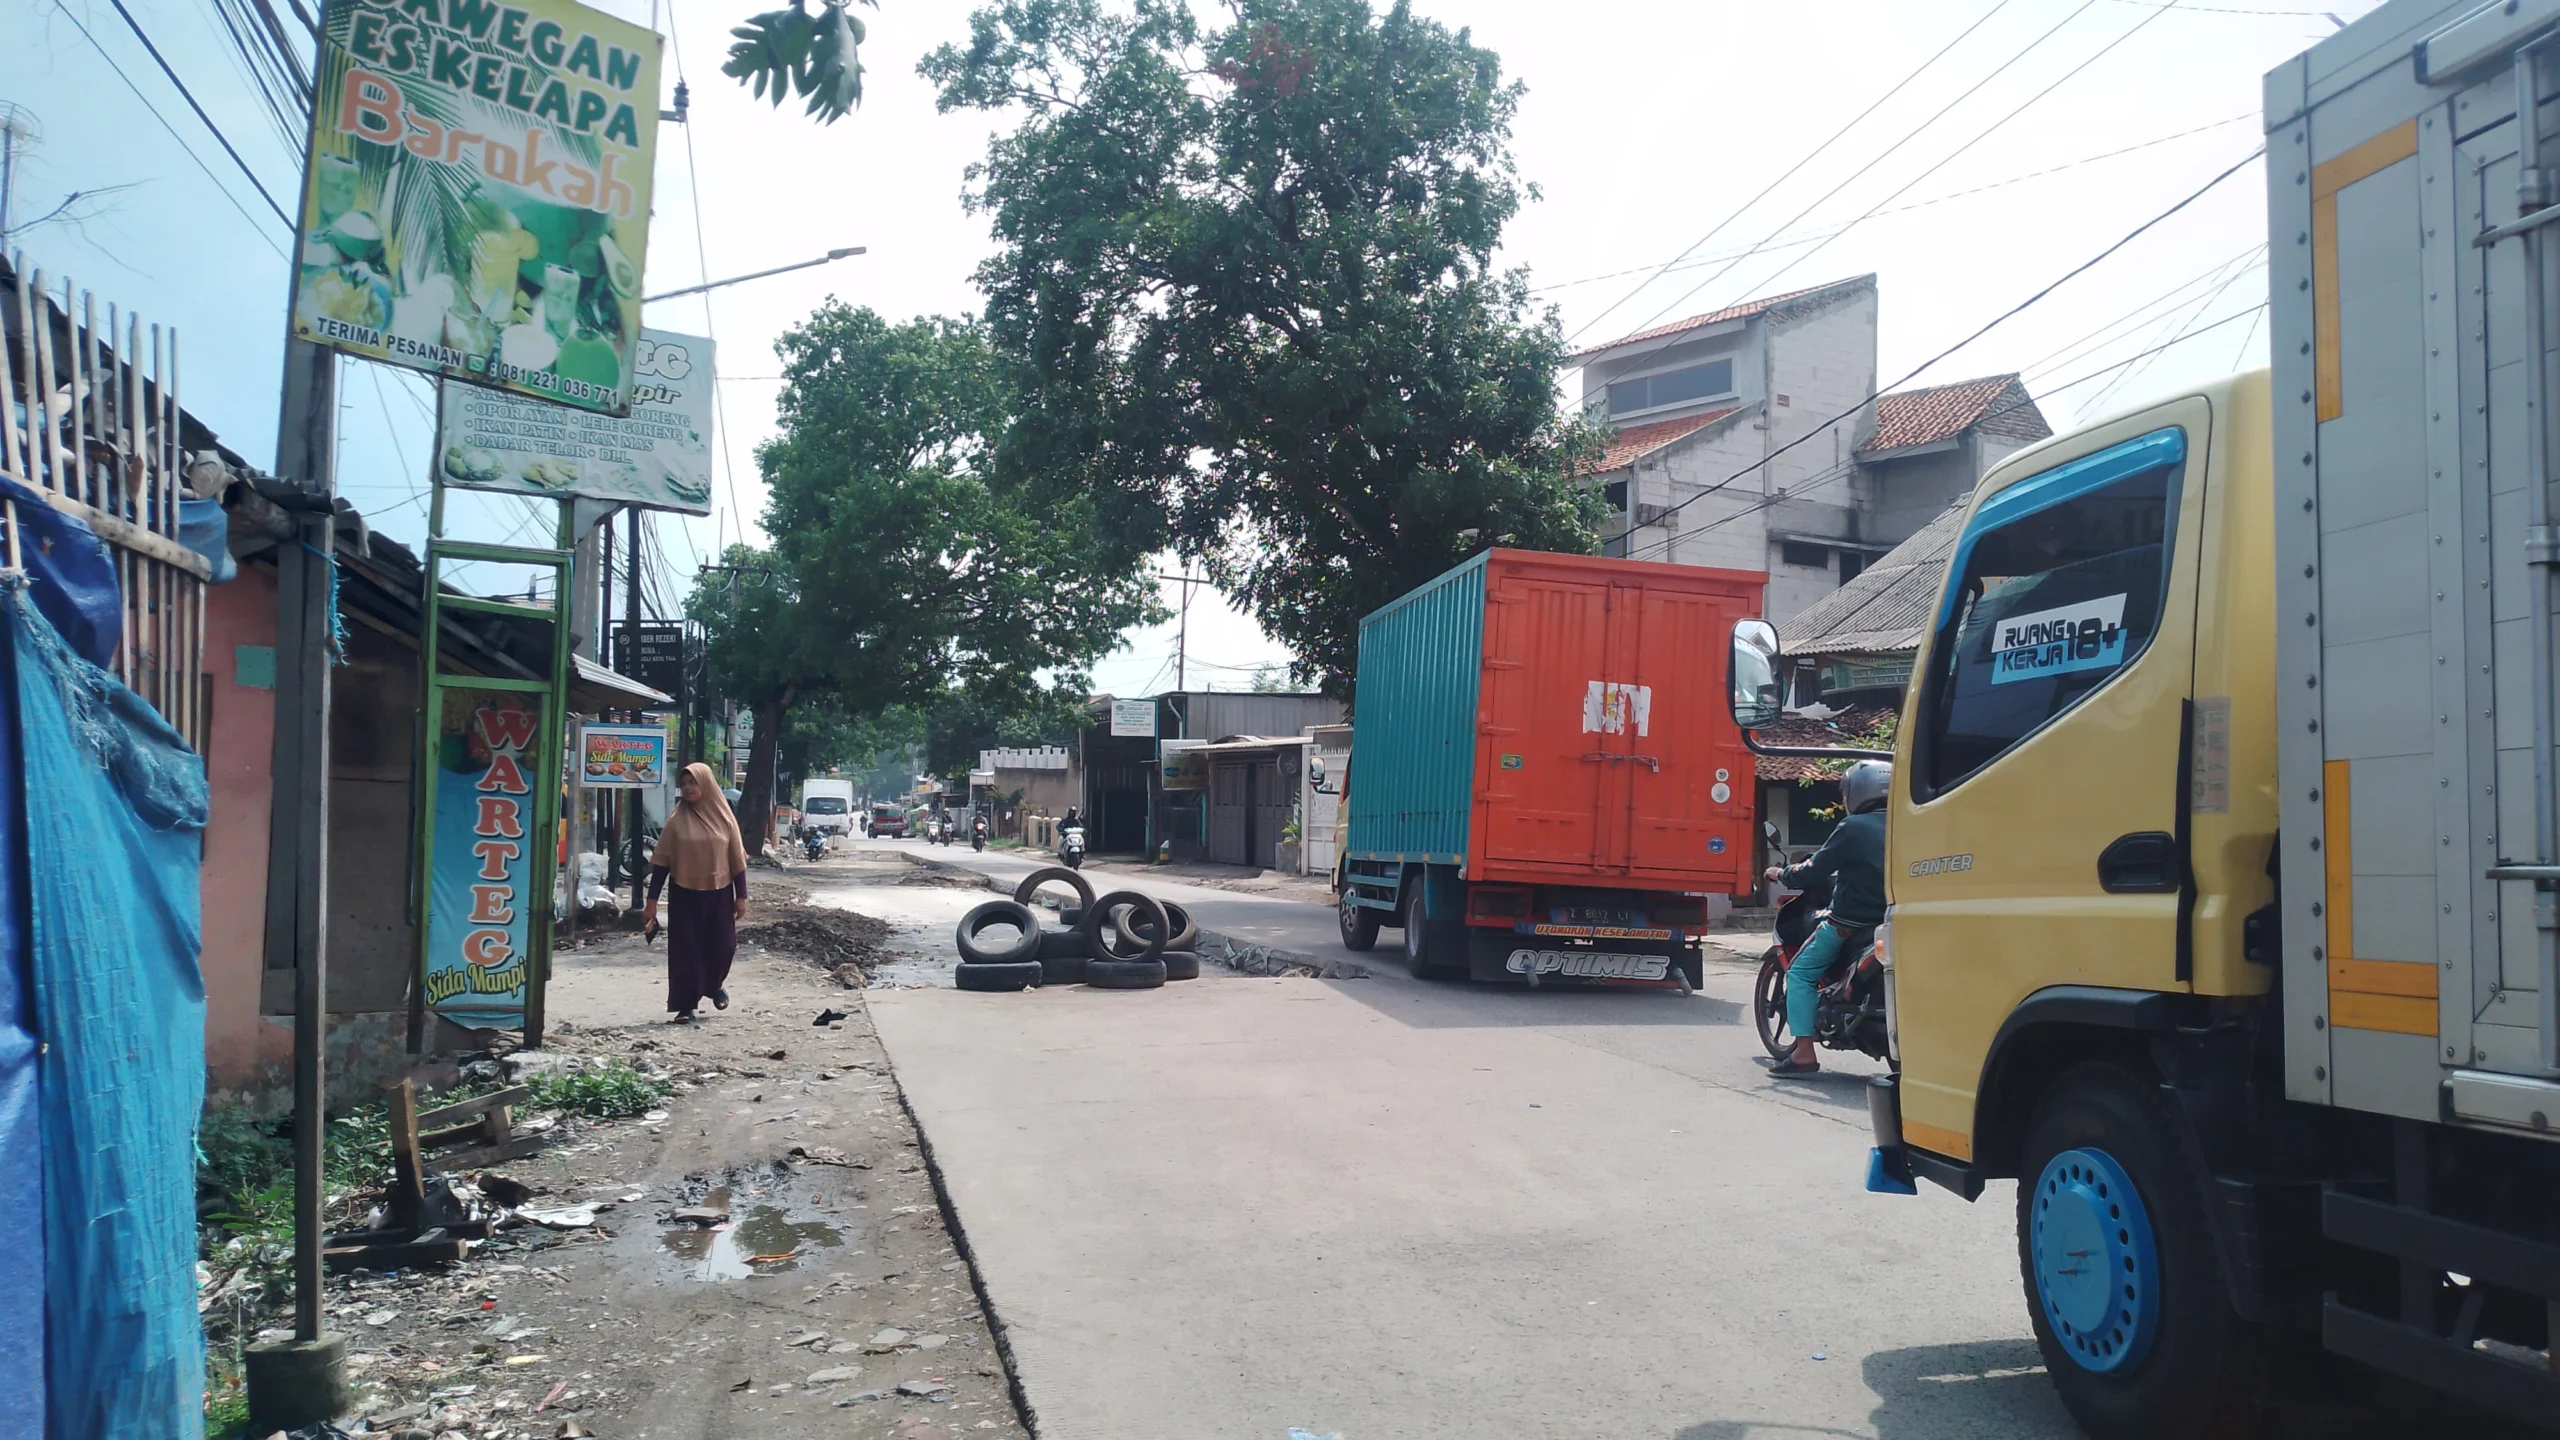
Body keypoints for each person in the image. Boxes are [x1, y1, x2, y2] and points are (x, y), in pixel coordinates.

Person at [1760, 759, 1891, 1078]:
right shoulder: (1914, 822)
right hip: (1899, 920)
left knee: (1802, 973)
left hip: (1851, 924)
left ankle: (1804, 1053)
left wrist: (1783, 873)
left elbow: (1815, 869)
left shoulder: (1854, 827)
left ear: (1856, 793)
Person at [643, 762, 749, 1023]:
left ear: (706, 785)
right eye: (684, 784)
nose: (688, 788)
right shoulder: (676, 820)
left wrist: (741, 895)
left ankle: (713, 985)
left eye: (693, 783)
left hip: (720, 891)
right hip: (683, 893)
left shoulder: (725, 818)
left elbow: (737, 858)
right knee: (686, 951)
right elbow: (662, 862)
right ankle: (685, 1005)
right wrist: (652, 901)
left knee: (724, 946)